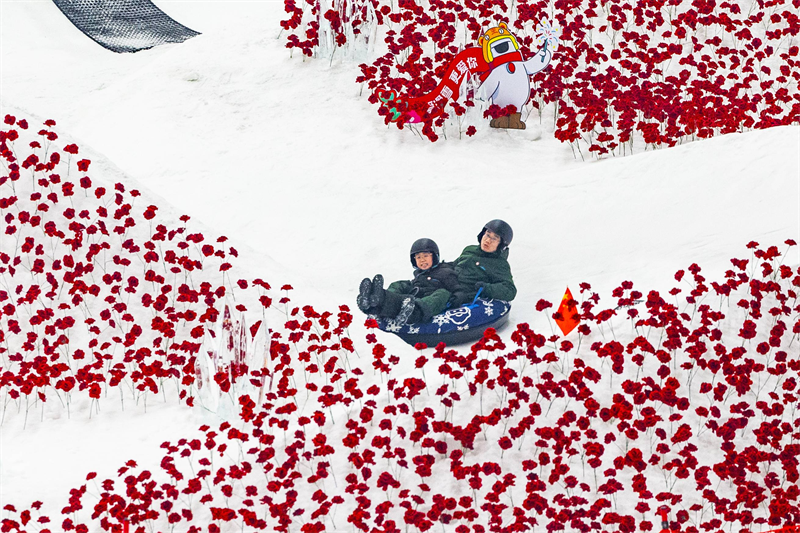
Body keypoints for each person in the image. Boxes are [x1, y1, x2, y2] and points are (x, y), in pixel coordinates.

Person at [357, 238, 459, 324]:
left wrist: (459, 295)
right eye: (418, 257)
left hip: (433, 299)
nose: (422, 260)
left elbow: (456, 287)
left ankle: (414, 311)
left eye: (426, 256)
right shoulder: (419, 275)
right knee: (400, 284)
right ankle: (380, 300)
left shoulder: (445, 271)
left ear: (435, 256)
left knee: (443, 293)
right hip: (417, 295)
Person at [449, 219, 517, 306]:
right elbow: (455, 265)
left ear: (501, 245)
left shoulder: (499, 264)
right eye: (487, 235)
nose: (488, 241)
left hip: (463, 293)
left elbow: (510, 290)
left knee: (440, 295)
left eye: (494, 239)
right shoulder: (469, 250)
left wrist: (486, 288)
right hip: (450, 284)